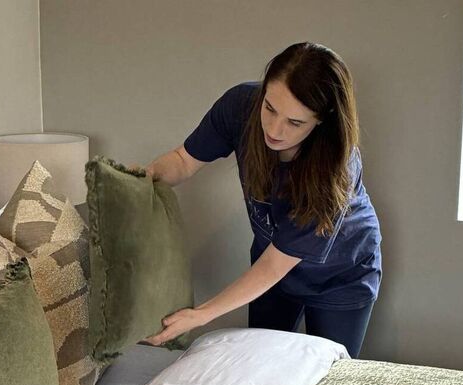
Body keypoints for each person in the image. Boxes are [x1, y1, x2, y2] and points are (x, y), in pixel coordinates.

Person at [142, 42, 382, 358]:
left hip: (340, 275)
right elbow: (183, 161)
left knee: (327, 372)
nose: (274, 129)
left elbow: (274, 265)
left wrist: (200, 315)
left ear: (322, 120)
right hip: (271, 259)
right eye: (269, 107)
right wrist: (140, 179)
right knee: (261, 360)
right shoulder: (240, 106)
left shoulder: (336, 169)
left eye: (295, 122)